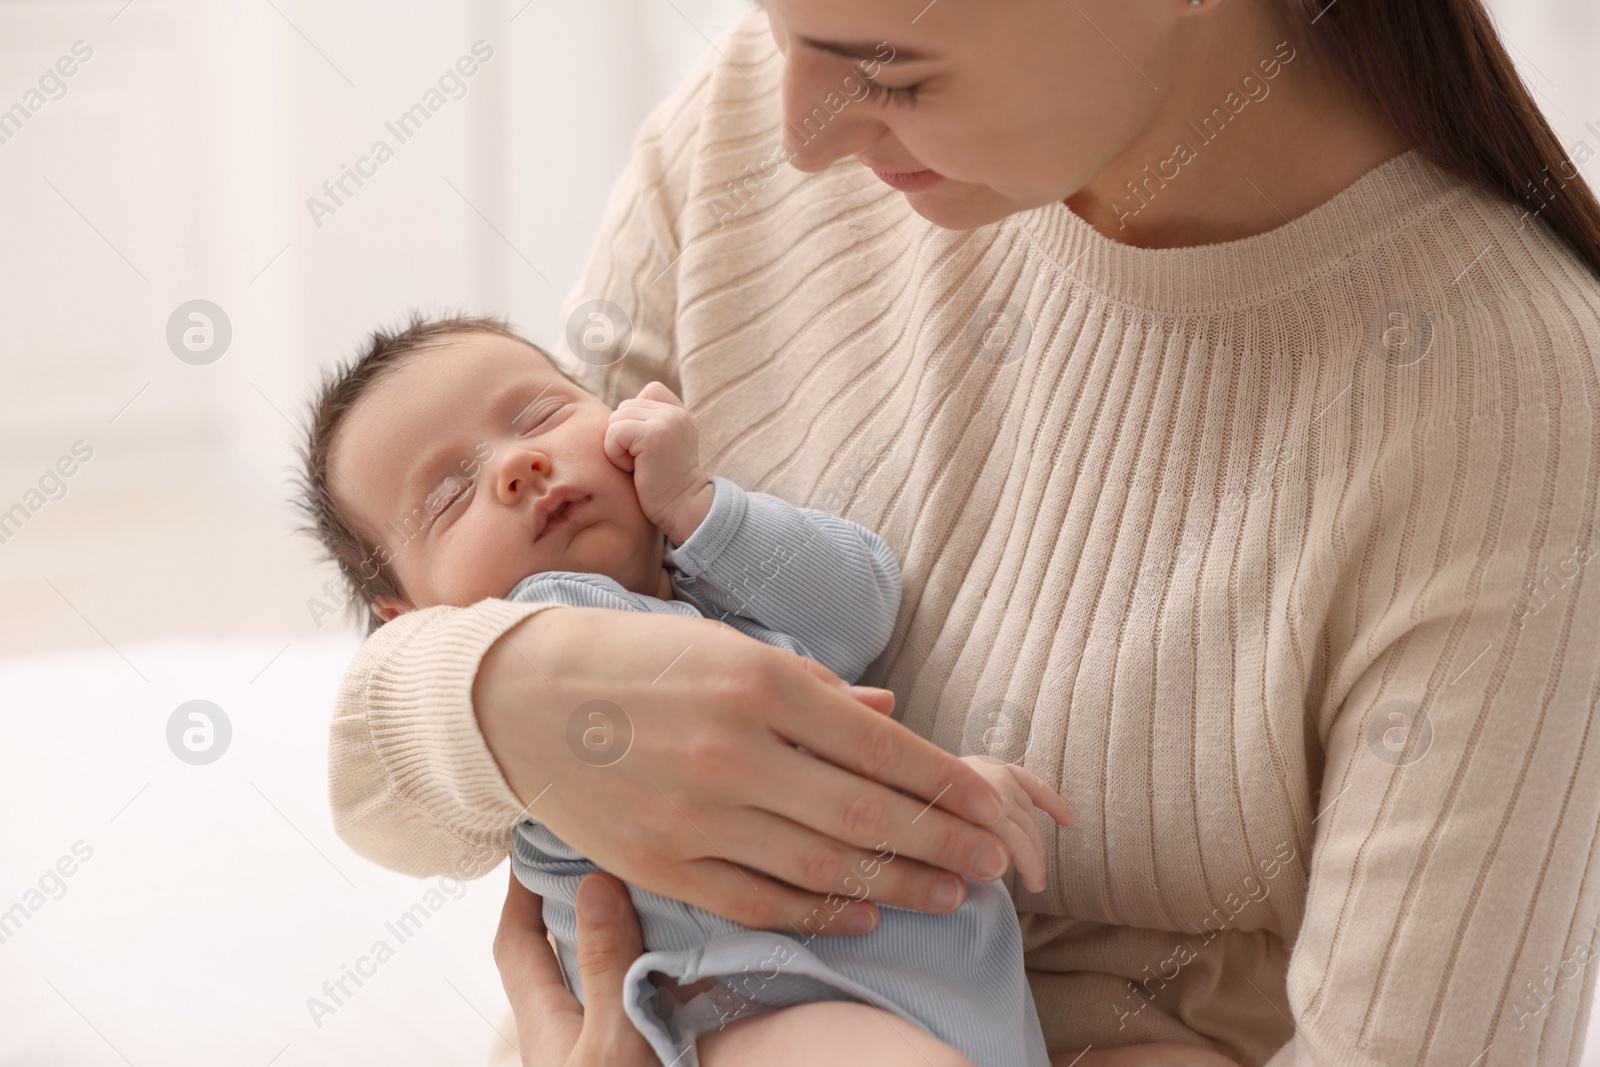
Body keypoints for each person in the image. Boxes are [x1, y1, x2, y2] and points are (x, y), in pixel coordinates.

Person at [321, 0, 1600, 1063]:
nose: (797, 134)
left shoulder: (1512, 408)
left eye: (894, 74)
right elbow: (388, 764)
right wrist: (495, 690)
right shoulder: (761, 113)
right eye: (771, 23)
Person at [295, 316, 1075, 1065]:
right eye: (447, 497)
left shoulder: (725, 582)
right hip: (746, 1012)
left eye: (541, 415)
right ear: (403, 616)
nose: (515, 465)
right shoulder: (548, 621)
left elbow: (864, 608)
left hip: (958, 1000)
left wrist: (701, 507)